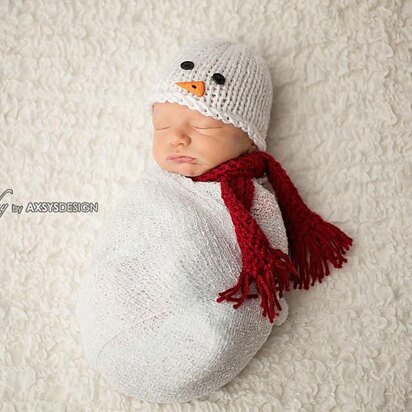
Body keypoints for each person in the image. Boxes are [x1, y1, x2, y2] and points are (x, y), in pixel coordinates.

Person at [76, 38, 352, 403]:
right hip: (120, 311)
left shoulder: (254, 201)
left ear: (249, 141)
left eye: (202, 127)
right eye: (162, 127)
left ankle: (197, 345)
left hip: (206, 317)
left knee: (228, 319)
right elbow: (125, 241)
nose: (177, 139)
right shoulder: (154, 188)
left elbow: (268, 268)